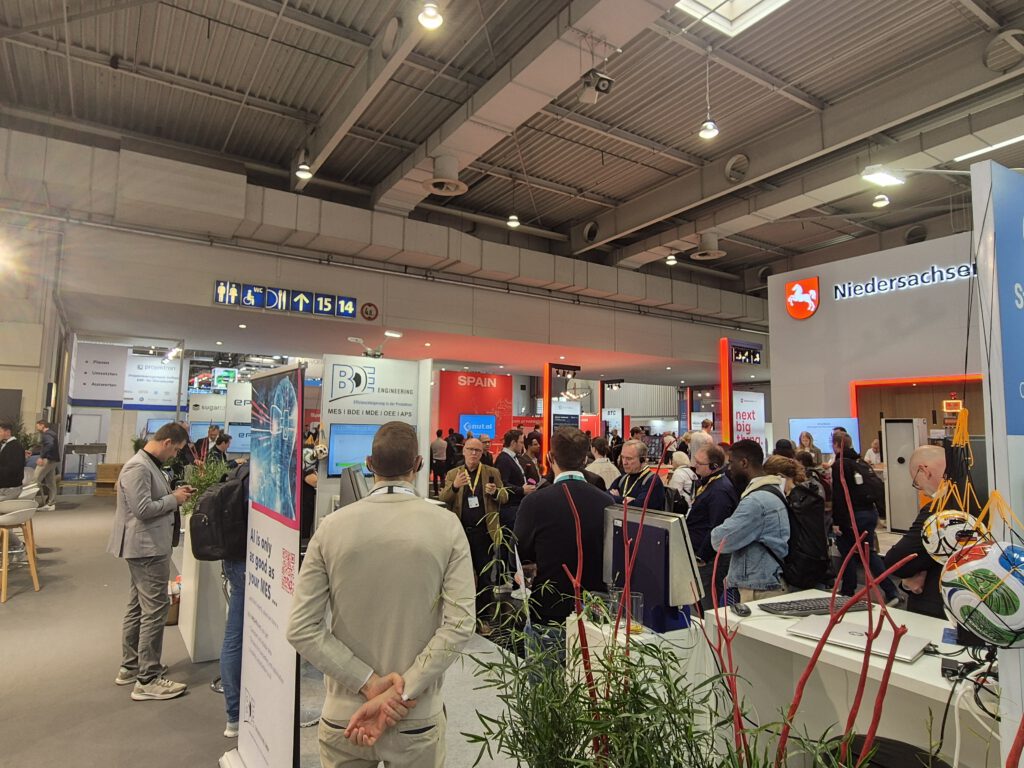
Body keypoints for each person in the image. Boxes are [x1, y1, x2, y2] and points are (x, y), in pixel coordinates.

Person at [287, 422, 475, 766]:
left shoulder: (331, 528)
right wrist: (402, 691)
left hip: (346, 716)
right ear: (418, 464)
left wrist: (368, 683)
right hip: (415, 713)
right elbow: (460, 624)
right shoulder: (446, 526)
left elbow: (301, 628)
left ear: (369, 464)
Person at [107, 422, 193, 700]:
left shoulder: (147, 465)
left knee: (138, 606)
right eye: (176, 450)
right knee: (155, 610)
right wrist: (174, 499)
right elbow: (142, 509)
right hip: (146, 548)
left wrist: (173, 495)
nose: (175, 455)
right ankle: (148, 678)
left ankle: (131, 667)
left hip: (146, 547)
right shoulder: (139, 467)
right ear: (167, 442)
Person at [515, 427, 612, 631]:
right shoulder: (606, 502)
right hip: (594, 609)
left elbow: (519, 552)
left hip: (549, 609)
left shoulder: (534, 502)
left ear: (550, 458)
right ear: (584, 460)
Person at [439, 437, 508, 630]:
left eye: (478, 450)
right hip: (461, 533)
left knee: (485, 577)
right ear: (464, 451)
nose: (474, 453)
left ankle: (483, 617)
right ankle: (460, 617)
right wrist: (455, 486)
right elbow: (443, 498)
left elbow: (505, 497)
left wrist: (495, 492)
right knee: (461, 576)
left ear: (482, 453)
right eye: (470, 449)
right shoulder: (454, 474)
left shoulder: (492, 472)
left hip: (484, 533)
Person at [709, 440, 789, 603]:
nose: (729, 468)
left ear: (744, 463)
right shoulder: (774, 490)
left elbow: (719, 540)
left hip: (758, 588)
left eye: (731, 463)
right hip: (768, 580)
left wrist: (726, 524)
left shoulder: (755, 501)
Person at [831, 432, 899, 605]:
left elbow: (839, 494)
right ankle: (891, 591)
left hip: (853, 514)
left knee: (848, 551)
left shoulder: (840, 464)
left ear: (836, 444)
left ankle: (848, 591)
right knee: (868, 552)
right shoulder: (860, 462)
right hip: (869, 512)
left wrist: (837, 521)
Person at [882, 445, 947, 618]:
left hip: (937, 608)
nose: (923, 491)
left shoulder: (939, 509)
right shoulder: (980, 495)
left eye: (917, 484)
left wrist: (914, 574)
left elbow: (897, 561)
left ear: (924, 471)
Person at [687, 444, 739, 610]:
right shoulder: (709, 484)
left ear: (714, 466)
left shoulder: (719, 491)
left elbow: (717, 526)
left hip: (709, 558)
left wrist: (702, 557)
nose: (695, 466)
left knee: (708, 602)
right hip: (701, 552)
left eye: (699, 463)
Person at [609, 439, 665, 510]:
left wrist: (617, 498)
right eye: (622, 457)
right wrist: (626, 500)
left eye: (629, 458)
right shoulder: (622, 478)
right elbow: (607, 497)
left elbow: (639, 506)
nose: (624, 462)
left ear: (642, 460)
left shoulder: (652, 481)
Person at [34, 419, 60, 510]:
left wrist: (42, 457)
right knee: (51, 482)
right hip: (53, 460)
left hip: (47, 460)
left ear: (42, 425)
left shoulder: (46, 435)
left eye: (37, 426)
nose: (37, 428)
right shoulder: (52, 433)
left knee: (35, 480)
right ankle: (51, 503)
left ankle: (30, 502)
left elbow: (49, 444)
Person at [0, 421, 24, 501]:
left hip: (9, 488)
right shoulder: (8, 445)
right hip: (7, 486)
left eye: (0, 431)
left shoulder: (15, 447)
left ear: (7, 432)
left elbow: (13, 468)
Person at [429, 429, 447, 496]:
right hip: (442, 462)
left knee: (435, 477)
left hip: (435, 462)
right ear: (441, 434)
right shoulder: (445, 443)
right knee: (442, 477)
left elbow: (431, 454)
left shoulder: (433, 443)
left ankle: (436, 492)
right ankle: (442, 491)